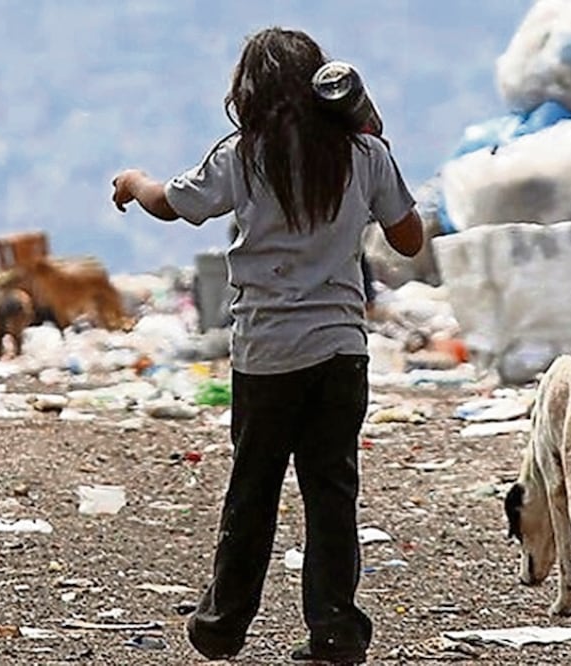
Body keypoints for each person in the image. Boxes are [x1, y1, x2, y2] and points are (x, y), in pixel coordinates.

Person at [111, 27, 423, 664]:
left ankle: (222, 626)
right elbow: (410, 239)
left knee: (253, 490)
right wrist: (377, 143)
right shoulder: (362, 155)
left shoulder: (243, 155)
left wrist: (133, 181)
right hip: (341, 351)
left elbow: (174, 205)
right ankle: (336, 634)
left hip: (267, 352)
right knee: (331, 493)